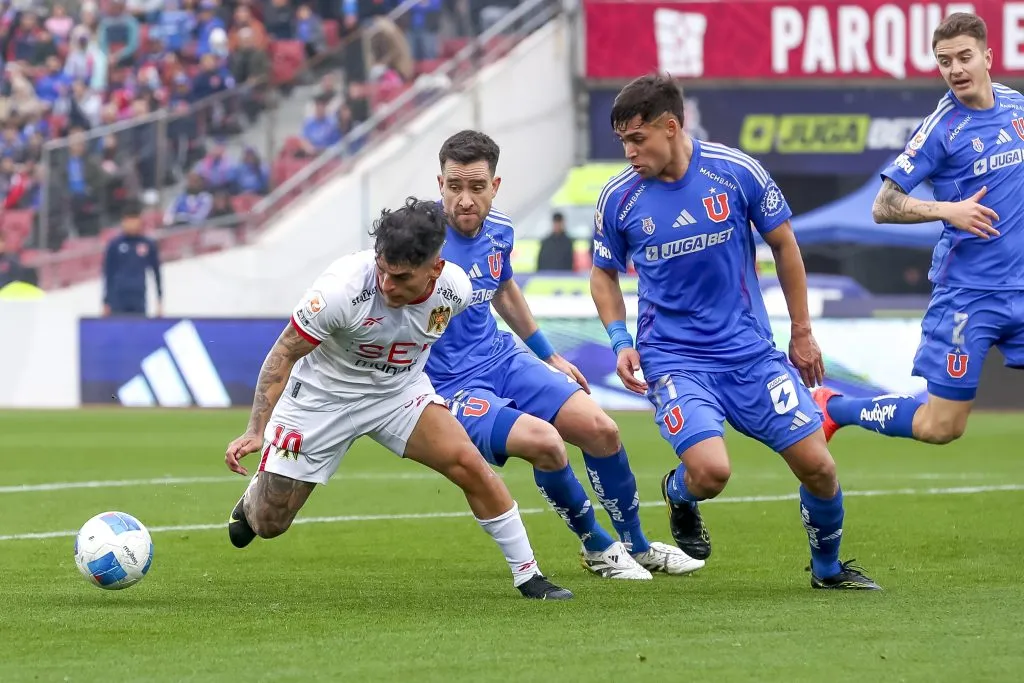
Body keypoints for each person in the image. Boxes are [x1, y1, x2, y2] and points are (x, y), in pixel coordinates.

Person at [589, 74, 879, 590]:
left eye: (637, 139)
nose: (629, 152)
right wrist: (619, 340)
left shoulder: (735, 171)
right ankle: (680, 494)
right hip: (674, 358)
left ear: (671, 127)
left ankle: (828, 571)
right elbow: (603, 274)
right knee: (711, 473)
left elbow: (785, 245)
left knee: (820, 467)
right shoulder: (618, 198)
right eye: (623, 142)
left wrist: (802, 331)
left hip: (750, 355)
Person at [224, 197, 573, 600]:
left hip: (398, 393)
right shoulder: (340, 291)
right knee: (269, 523)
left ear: (435, 268)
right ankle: (253, 498)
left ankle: (529, 575)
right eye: (383, 270)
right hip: (322, 397)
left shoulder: (456, 289)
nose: (388, 285)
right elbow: (283, 353)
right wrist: (256, 430)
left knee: (468, 463)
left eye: (402, 276)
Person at [425, 130, 703, 580]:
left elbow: (504, 289)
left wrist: (549, 356)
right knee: (546, 443)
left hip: (501, 359)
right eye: (454, 186)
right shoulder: (420, 240)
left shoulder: (500, 230)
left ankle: (637, 545)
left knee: (602, 430)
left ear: (495, 186)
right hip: (450, 384)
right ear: (440, 184)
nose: (465, 199)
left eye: (477, 187)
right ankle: (597, 546)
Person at [814, 13, 1023, 448]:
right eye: (945, 62)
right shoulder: (940, 130)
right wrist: (950, 211)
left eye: (964, 57)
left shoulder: (1016, 106)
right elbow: (882, 205)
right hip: (969, 295)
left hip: (1020, 285)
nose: (956, 69)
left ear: (988, 57)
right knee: (941, 427)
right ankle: (836, 407)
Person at [102, 202, 162, 317]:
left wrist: (159, 300)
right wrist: (105, 301)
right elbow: (108, 274)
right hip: (118, 298)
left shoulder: (147, 244)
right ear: (123, 222)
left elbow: (156, 273)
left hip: (138, 297)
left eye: (134, 220)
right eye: (128, 221)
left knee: (138, 326)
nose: (132, 224)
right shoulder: (114, 245)